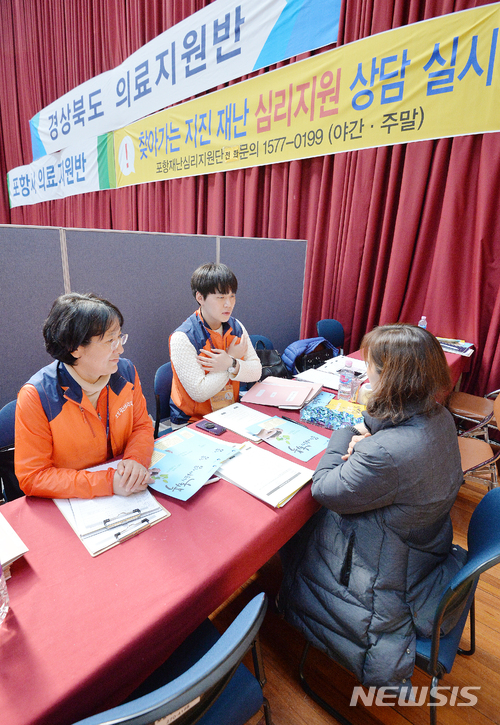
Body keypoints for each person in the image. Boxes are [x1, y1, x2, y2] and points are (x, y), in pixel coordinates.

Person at [278, 323, 467, 690]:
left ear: (395, 379)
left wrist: (346, 433)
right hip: (423, 548)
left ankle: (285, 597)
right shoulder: (439, 417)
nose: (366, 376)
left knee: (296, 523)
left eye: (372, 369)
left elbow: (324, 489)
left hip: (385, 577)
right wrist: (374, 434)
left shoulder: (388, 453)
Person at [15, 293, 154, 499]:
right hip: (76, 502)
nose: (121, 348)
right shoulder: (37, 396)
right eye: (110, 341)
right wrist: (107, 483)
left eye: (120, 337)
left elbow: (141, 425)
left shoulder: (125, 372)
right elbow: (33, 476)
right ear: (75, 349)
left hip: (127, 490)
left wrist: (136, 459)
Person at [169, 263, 261, 427]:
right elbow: (200, 392)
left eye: (232, 296)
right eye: (221, 297)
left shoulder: (236, 326)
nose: (228, 304)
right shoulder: (182, 338)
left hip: (230, 412)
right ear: (200, 298)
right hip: (193, 421)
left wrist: (230, 363)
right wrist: (232, 362)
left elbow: (256, 372)